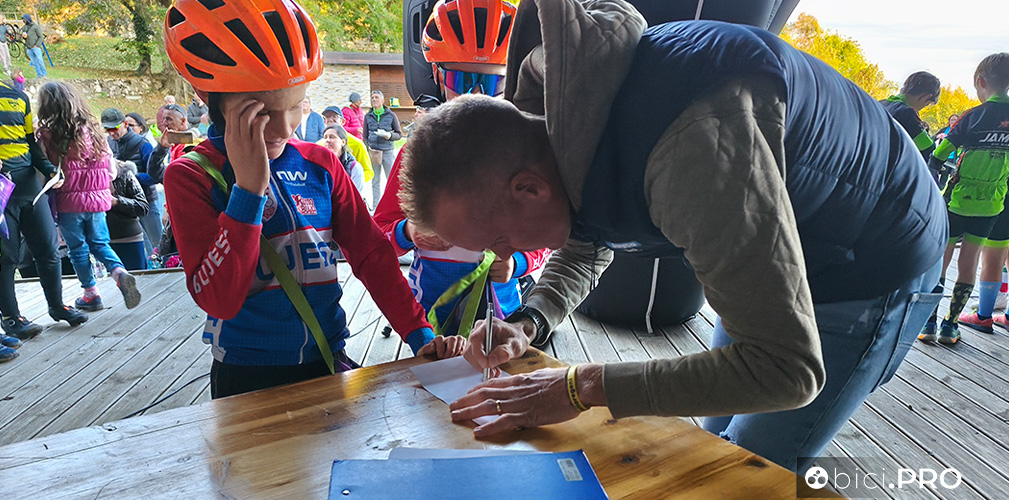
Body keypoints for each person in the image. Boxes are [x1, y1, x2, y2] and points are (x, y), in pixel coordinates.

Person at [399, 0, 947, 474]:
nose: (502, 256)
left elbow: (783, 369)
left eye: (497, 238)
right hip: (774, 237)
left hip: (873, 257)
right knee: (713, 447)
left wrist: (577, 386)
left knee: (752, 472)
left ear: (528, 189)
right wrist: (529, 321)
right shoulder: (566, 126)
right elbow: (588, 235)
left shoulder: (690, 150)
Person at [162, 0, 465, 399]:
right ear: (211, 97)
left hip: (327, 359)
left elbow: (372, 254)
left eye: (295, 106)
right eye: (263, 112)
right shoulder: (192, 175)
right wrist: (248, 192)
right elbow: (218, 297)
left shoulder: (319, 162)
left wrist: (419, 334)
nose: (285, 127)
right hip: (246, 376)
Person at [374, 0, 549, 338]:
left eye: (491, 85)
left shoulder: (527, 155)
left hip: (500, 322)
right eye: (461, 78)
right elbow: (377, 235)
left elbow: (547, 235)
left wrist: (518, 264)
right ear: (437, 74)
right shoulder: (416, 153)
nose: (475, 96)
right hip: (429, 325)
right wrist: (408, 232)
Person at [35, 81, 142, 312]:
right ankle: (119, 272)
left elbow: (45, 169)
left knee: (78, 249)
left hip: (69, 203)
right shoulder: (94, 131)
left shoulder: (48, 134)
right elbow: (112, 171)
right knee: (100, 243)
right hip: (98, 202)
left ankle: (91, 294)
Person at [924, 53, 1009, 341]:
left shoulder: (973, 115)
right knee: (969, 263)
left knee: (942, 262)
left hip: (957, 200)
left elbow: (940, 152)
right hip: (991, 204)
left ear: (981, 82)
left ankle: (928, 323)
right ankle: (951, 325)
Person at [1, 74, 87, 342]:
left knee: (48, 248)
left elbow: (29, 142)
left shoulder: (18, 96)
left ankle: (57, 305)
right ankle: (12, 318)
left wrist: (49, 170)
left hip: (28, 185)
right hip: (2, 191)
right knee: (7, 257)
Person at [103, 107, 160, 261]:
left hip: (147, 200)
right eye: (107, 130)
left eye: (114, 128)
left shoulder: (143, 144)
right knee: (145, 249)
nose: (111, 133)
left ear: (125, 124)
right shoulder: (108, 144)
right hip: (124, 205)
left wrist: (130, 177)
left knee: (158, 244)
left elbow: (154, 175)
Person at [879, 72, 941, 164]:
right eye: (927, 104)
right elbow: (928, 149)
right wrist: (924, 130)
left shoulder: (880, 104)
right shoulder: (907, 113)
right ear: (926, 97)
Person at [107, 159, 150, 270]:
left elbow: (143, 207)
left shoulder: (124, 173)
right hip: (101, 243)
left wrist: (117, 202)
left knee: (139, 281)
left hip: (129, 239)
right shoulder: (86, 177)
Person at [365, 90, 402, 204]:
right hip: (374, 152)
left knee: (391, 180)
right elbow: (364, 136)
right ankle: (376, 205)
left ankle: (392, 203)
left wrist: (389, 135)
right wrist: (368, 148)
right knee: (375, 181)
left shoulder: (391, 115)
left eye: (376, 97)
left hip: (387, 151)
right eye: (372, 98)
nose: (374, 100)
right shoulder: (368, 116)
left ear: (382, 100)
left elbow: (399, 134)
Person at [321, 105, 373, 186]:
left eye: (334, 116)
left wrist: (351, 182)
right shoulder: (319, 145)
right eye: (327, 117)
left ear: (343, 122)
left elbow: (368, 171)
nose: (330, 119)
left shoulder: (357, 144)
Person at [321, 124, 365, 196]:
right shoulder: (319, 164)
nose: (327, 140)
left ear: (343, 142)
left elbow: (355, 196)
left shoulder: (354, 167)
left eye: (332, 137)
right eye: (325, 137)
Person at [21, 14, 45, 78]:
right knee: (34, 62)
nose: (23, 20)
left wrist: (37, 45)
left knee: (40, 61)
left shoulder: (35, 27)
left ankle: (44, 74)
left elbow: (41, 37)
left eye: (24, 19)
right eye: (23, 19)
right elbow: (23, 35)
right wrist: (23, 37)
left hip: (36, 47)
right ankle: (39, 75)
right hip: (29, 47)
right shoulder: (24, 27)